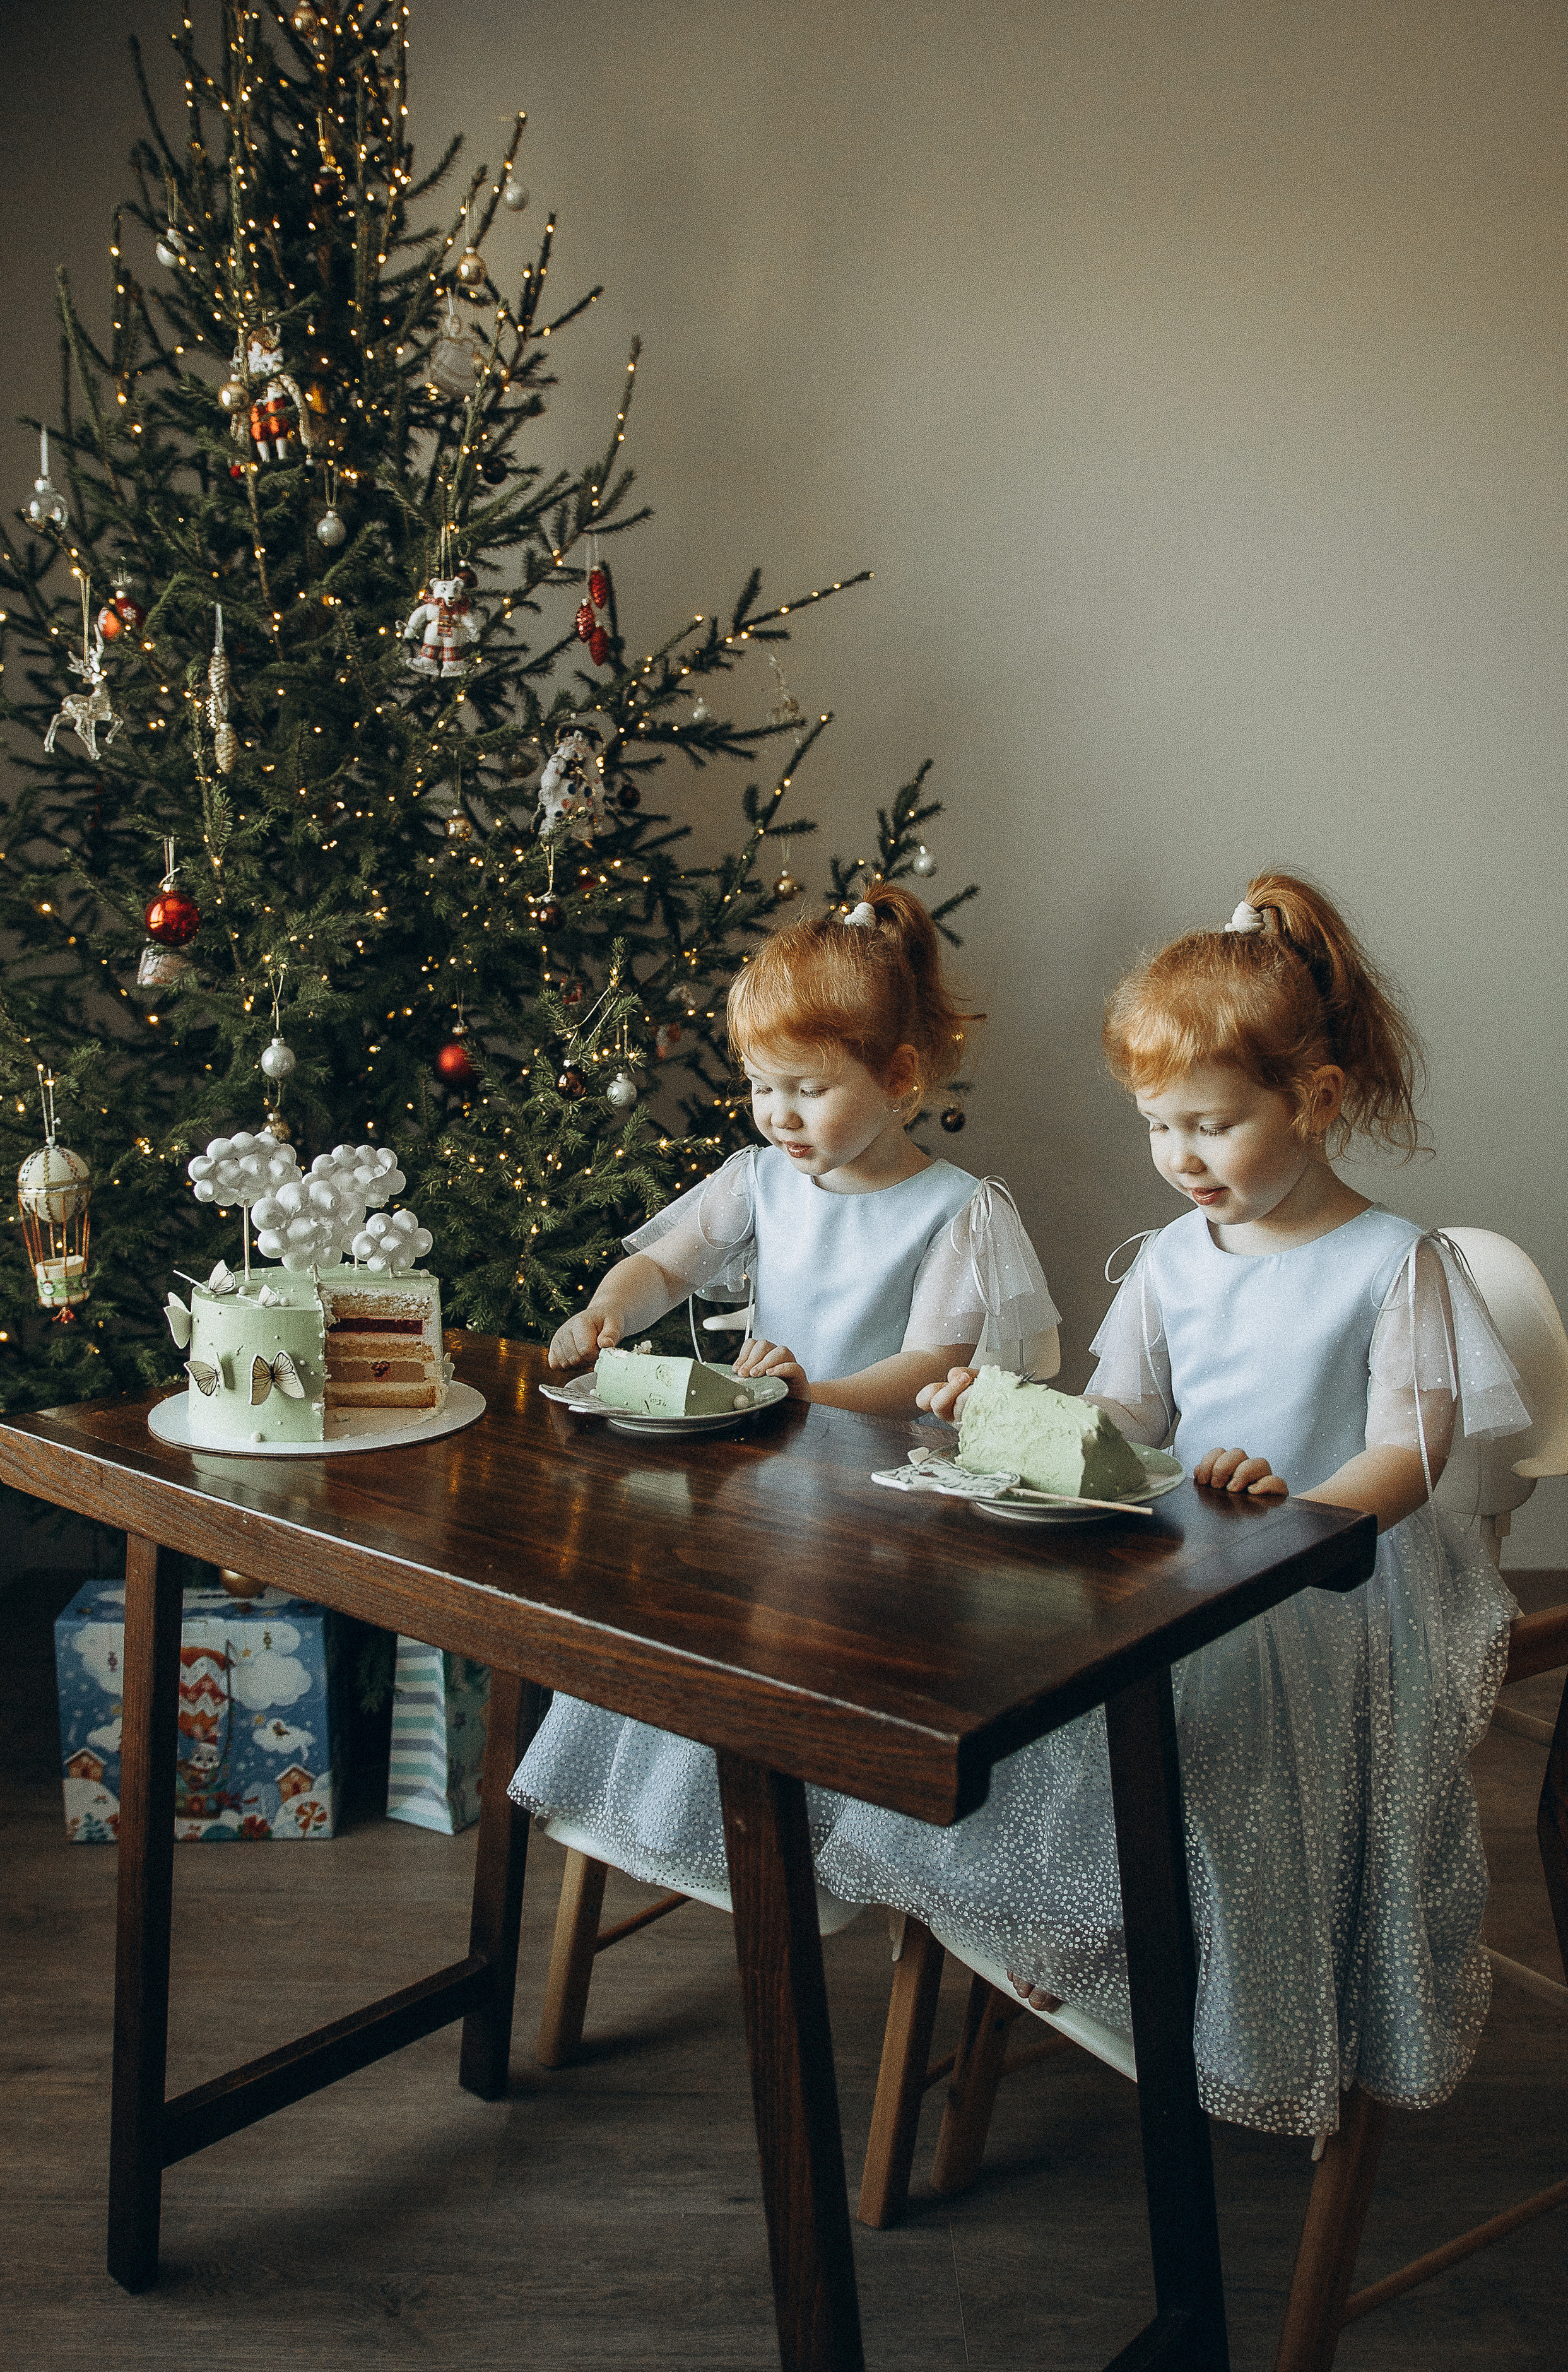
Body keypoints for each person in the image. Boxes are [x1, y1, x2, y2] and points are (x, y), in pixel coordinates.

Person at [815, 872, 1531, 2140]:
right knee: (1017, 1671)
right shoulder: (1166, 1260)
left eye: (1211, 1125)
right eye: (1158, 1127)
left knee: (1193, 1708)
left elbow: (1410, 1453)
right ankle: (1073, 1918)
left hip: (1319, 1581)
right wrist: (997, 1409)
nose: (1180, 1158)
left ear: (1312, 1101)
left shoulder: (1391, 1263)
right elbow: (1127, 1423)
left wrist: (1295, 1521)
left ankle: (1208, 1975)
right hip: (1178, 1567)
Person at [513, 880, 1061, 1901]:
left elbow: (928, 1367)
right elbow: (665, 1265)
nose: (779, 1114)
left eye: (807, 1088)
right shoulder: (758, 1178)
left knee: (827, 1631)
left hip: (886, 1506)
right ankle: (708, 1823)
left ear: (899, 1077)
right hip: (770, 1481)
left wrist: (816, 1398)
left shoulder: (955, 1209)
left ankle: (860, 1848)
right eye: (763, 1086)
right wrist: (606, 1310)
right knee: (705, 1614)